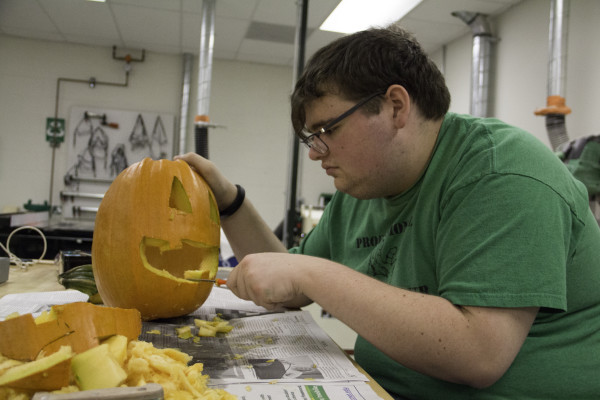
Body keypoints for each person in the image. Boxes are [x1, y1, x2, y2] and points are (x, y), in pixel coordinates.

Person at [175, 26, 600, 399]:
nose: (316, 153)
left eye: (328, 130)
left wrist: (315, 274)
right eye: (312, 137)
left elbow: (480, 354)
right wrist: (230, 202)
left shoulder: (500, 172)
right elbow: (290, 284)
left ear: (396, 106)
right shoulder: (364, 187)